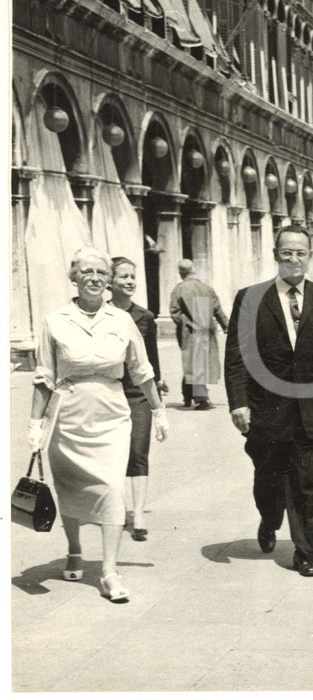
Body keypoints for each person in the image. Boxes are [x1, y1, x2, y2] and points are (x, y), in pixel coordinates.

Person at [28, 247, 169, 603]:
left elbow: (142, 370)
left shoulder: (121, 321)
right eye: (87, 272)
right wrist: (34, 424)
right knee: (71, 485)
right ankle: (74, 549)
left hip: (111, 413)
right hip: (68, 413)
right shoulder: (55, 320)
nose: (95, 278)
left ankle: (109, 570)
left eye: (101, 273)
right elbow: (44, 376)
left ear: (108, 282)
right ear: (73, 277)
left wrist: (158, 411)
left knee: (110, 487)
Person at [224, 225, 313, 577]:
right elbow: (236, 356)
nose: (294, 259)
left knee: (308, 481)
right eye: (287, 252)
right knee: (269, 477)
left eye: (301, 253)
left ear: (310, 256)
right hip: (267, 409)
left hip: (312, 408)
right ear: (276, 255)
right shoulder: (250, 298)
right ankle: (269, 517)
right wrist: (238, 403)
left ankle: (306, 550)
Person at [108, 256, 167, 541]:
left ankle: (139, 512)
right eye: (124, 277)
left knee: (139, 450)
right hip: (108, 393)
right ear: (110, 281)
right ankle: (116, 508)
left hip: (137, 394)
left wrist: (158, 399)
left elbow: (152, 361)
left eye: (133, 277)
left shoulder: (145, 317)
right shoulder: (101, 313)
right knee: (112, 453)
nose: (130, 282)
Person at [169, 259, 229, 410]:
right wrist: (226, 326)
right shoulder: (207, 288)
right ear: (193, 270)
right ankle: (194, 396)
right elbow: (218, 310)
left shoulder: (179, 289)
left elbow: (174, 312)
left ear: (180, 273)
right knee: (198, 362)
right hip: (206, 329)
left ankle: (197, 397)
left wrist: (184, 322)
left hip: (189, 331)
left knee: (193, 363)